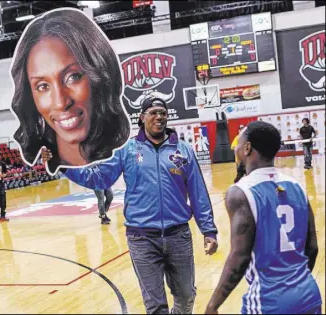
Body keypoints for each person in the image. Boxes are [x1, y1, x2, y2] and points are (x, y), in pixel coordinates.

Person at [42, 97, 218, 314]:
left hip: (178, 235)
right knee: (155, 305)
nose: (159, 117)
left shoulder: (183, 150)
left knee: (186, 294)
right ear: (142, 117)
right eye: (153, 112)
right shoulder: (126, 150)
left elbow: (198, 192)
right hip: (141, 238)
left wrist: (208, 230)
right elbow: (99, 178)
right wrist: (62, 164)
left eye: (163, 112)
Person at [205, 121, 321, 314]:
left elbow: (240, 258)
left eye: (239, 144)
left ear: (247, 148)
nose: (236, 149)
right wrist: (296, 284)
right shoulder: (297, 186)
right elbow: (312, 247)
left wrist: (212, 305)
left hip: (268, 301)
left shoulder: (240, 192)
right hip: (308, 295)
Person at [10, 8, 130, 174]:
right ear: (30, 98)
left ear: (101, 76)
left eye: (73, 77)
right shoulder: (41, 160)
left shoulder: (126, 154)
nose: (61, 103)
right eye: (43, 86)